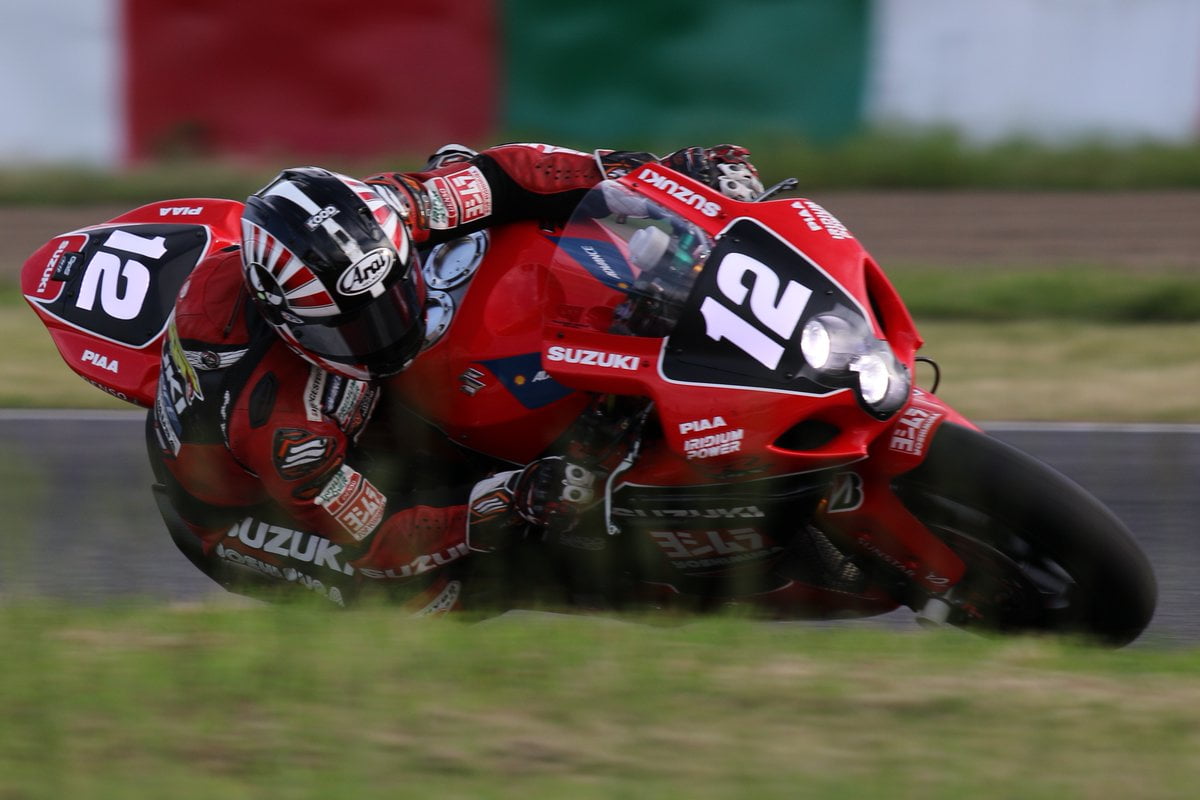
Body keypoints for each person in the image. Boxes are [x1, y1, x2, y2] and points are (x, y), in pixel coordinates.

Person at [147, 142, 764, 611]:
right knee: (426, 596)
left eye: (391, 299)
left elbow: (504, 175)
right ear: (289, 323)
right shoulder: (288, 427)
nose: (385, 334)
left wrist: (649, 176)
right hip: (244, 513)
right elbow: (380, 540)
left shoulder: (386, 210)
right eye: (351, 329)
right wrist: (507, 499)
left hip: (347, 411)